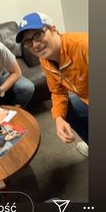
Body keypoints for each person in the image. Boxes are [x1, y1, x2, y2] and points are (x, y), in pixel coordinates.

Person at [16, 12, 89, 157]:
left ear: (54, 29)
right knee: (66, 109)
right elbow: (57, 92)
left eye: (38, 34)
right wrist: (59, 118)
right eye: (28, 42)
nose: (35, 45)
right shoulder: (46, 60)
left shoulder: (83, 46)